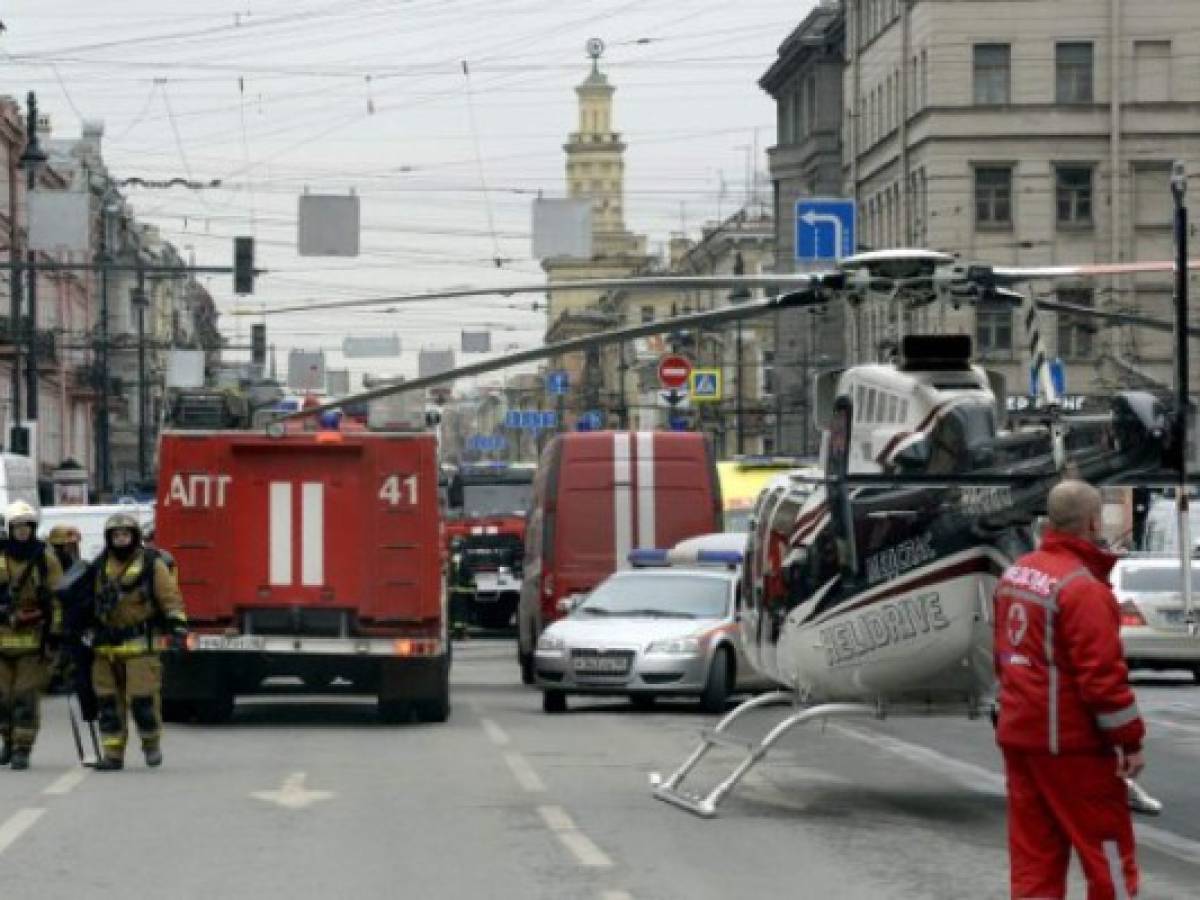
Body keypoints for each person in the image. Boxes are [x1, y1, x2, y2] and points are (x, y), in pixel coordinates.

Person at [993, 480, 1145, 899]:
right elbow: (1102, 680)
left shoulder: (1015, 574)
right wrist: (1129, 742)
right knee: (1108, 854)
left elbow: (1001, 654)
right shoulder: (1084, 589)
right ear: (1094, 521)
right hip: (1073, 746)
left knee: (1034, 859)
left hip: (1021, 736)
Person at [86, 513, 187, 771]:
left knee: (143, 700)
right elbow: (83, 603)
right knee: (108, 703)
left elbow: (169, 597)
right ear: (109, 539)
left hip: (141, 646)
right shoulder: (98, 567)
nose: (121, 540)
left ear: (134, 537)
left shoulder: (152, 564)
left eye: (126, 535)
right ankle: (112, 754)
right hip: (105, 648)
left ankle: (151, 744)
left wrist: (177, 627)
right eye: (116, 536)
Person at [0, 502, 64, 770]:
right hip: (1, 637)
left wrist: (56, 633)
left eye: (27, 526)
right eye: (17, 527)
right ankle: (8, 740)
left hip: (33, 641)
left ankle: (22, 748)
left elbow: (60, 599)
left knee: (24, 695)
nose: (22, 531)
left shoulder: (44, 559)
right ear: (10, 529)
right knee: (2, 697)